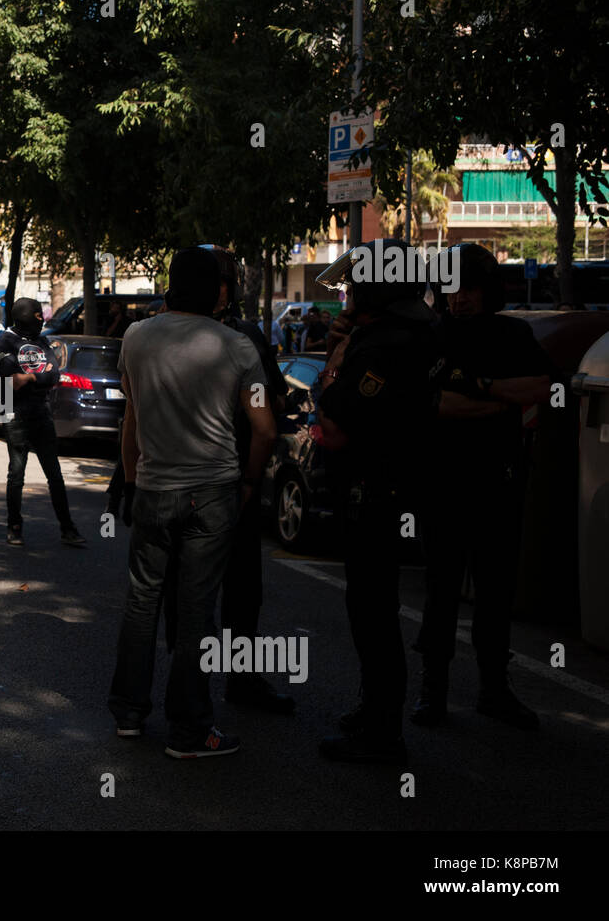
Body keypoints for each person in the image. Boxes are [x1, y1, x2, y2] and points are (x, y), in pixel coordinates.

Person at [108, 247, 274, 758]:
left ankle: (130, 713)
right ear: (218, 291)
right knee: (197, 612)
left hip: (154, 489)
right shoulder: (238, 347)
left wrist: (134, 479)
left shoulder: (136, 338)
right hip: (213, 494)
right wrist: (249, 481)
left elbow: (131, 418)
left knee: (142, 602)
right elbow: (264, 428)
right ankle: (190, 729)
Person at [411, 243, 553, 730]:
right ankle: (434, 689)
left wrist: (479, 387)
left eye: (468, 289)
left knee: (496, 592)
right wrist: (499, 397)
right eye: (451, 288)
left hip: (499, 483)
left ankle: (495, 689)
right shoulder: (433, 336)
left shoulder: (514, 333)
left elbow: (545, 388)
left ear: (486, 291)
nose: (458, 298)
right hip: (444, 484)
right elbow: (436, 405)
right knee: (441, 590)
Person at [313, 239, 444, 764]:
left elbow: (336, 427)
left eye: (354, 283)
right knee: (375, 608)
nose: (346, 293)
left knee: (372, 612)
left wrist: (337, 357)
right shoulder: (423, 329)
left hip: (375, 493)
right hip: (403, 488)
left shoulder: (381, 344)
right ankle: (375, 710)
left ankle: (382, 732)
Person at [206, 246, 294, 714]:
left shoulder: (247, 337)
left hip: (230, 482)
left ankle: (235, 681)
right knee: (201, 592)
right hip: (210, 482)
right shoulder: (166, 333)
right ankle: (193, 693)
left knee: (239, 591)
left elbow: (274, 406)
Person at [0, 297, 86, 547]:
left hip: (42, 413)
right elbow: (10, 374)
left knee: (54, 474)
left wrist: (31, 378)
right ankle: (14, 527)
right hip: (16, 414)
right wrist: (36, 375)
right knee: (16, 474)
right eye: (37, 317)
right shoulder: (6, 341)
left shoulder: (41, 340)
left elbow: (54, 373)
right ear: (26, 317)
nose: (41, 322)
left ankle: (67, 528)